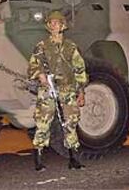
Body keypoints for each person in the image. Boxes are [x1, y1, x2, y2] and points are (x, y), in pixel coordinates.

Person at [28, 10, 87, 171]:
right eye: (51, 23)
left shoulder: (71, 47)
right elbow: (33, 65)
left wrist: (81, 91)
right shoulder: (41, 46)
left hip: (67, 89)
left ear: (63, 26)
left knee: (70, 122)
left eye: (57, 23)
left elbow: (79, 69)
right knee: (43, 122)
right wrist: (40, 74)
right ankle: (38, 158)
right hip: (47, 89)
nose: (54, 25)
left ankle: (73, 157)